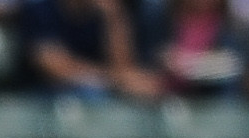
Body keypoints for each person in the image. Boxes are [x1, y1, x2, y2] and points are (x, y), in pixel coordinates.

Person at [18, 0, 165, 100]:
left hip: (101, 86)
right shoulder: (39, 8)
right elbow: (55, 68)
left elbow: (124, 67)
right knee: (94, 96)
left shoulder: (106, 11)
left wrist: (113, 17)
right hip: (44, 92)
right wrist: (116, 81)